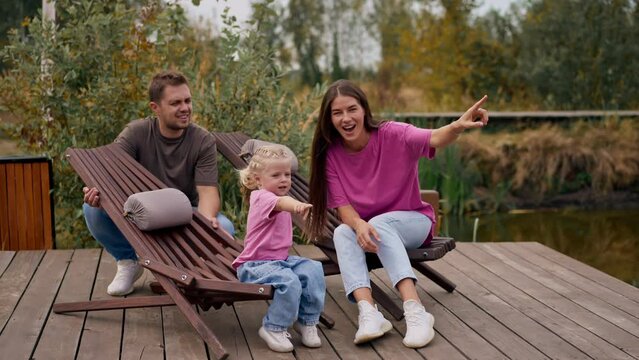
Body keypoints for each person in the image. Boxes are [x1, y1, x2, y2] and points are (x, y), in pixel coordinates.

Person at [307, 79, 489, 348]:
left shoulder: (393, 134)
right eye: (337, 113)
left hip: (414, 223)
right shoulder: (331, 155)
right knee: (343, 231)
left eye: (352, 109)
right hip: (372, 230)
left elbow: (435, 137)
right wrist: (357, 224)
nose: (346, 118)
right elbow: (344, 208)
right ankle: (369, 313)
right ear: (329, 119)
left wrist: (457, 126)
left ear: (364, 110)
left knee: (378, 223)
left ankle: (415, 311)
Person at [82, 70, 235, 296]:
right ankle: (128, 262)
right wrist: (93, 193)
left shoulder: (202, 140)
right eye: (175, 103)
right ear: (156, 108)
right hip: (144, 214)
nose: (185, 108)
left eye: (187, 101)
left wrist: (207, 220)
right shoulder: (136, 133)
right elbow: (107, 173)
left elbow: (208, 192)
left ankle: (185, 271)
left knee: (226, 227)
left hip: (185, 215)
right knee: (92, 209)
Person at [233, 145, 326, 353]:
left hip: (280, 261)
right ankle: (273, 327)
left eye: (287, 174)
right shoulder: (262, 197)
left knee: (313, 269)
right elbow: (283, 203)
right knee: (289, 282)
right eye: (276, 175)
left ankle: (306, 321)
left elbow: (284, 201)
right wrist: (297, 206)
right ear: (258, 180)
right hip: (254, 265)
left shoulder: (276, 196)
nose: (284, 179)